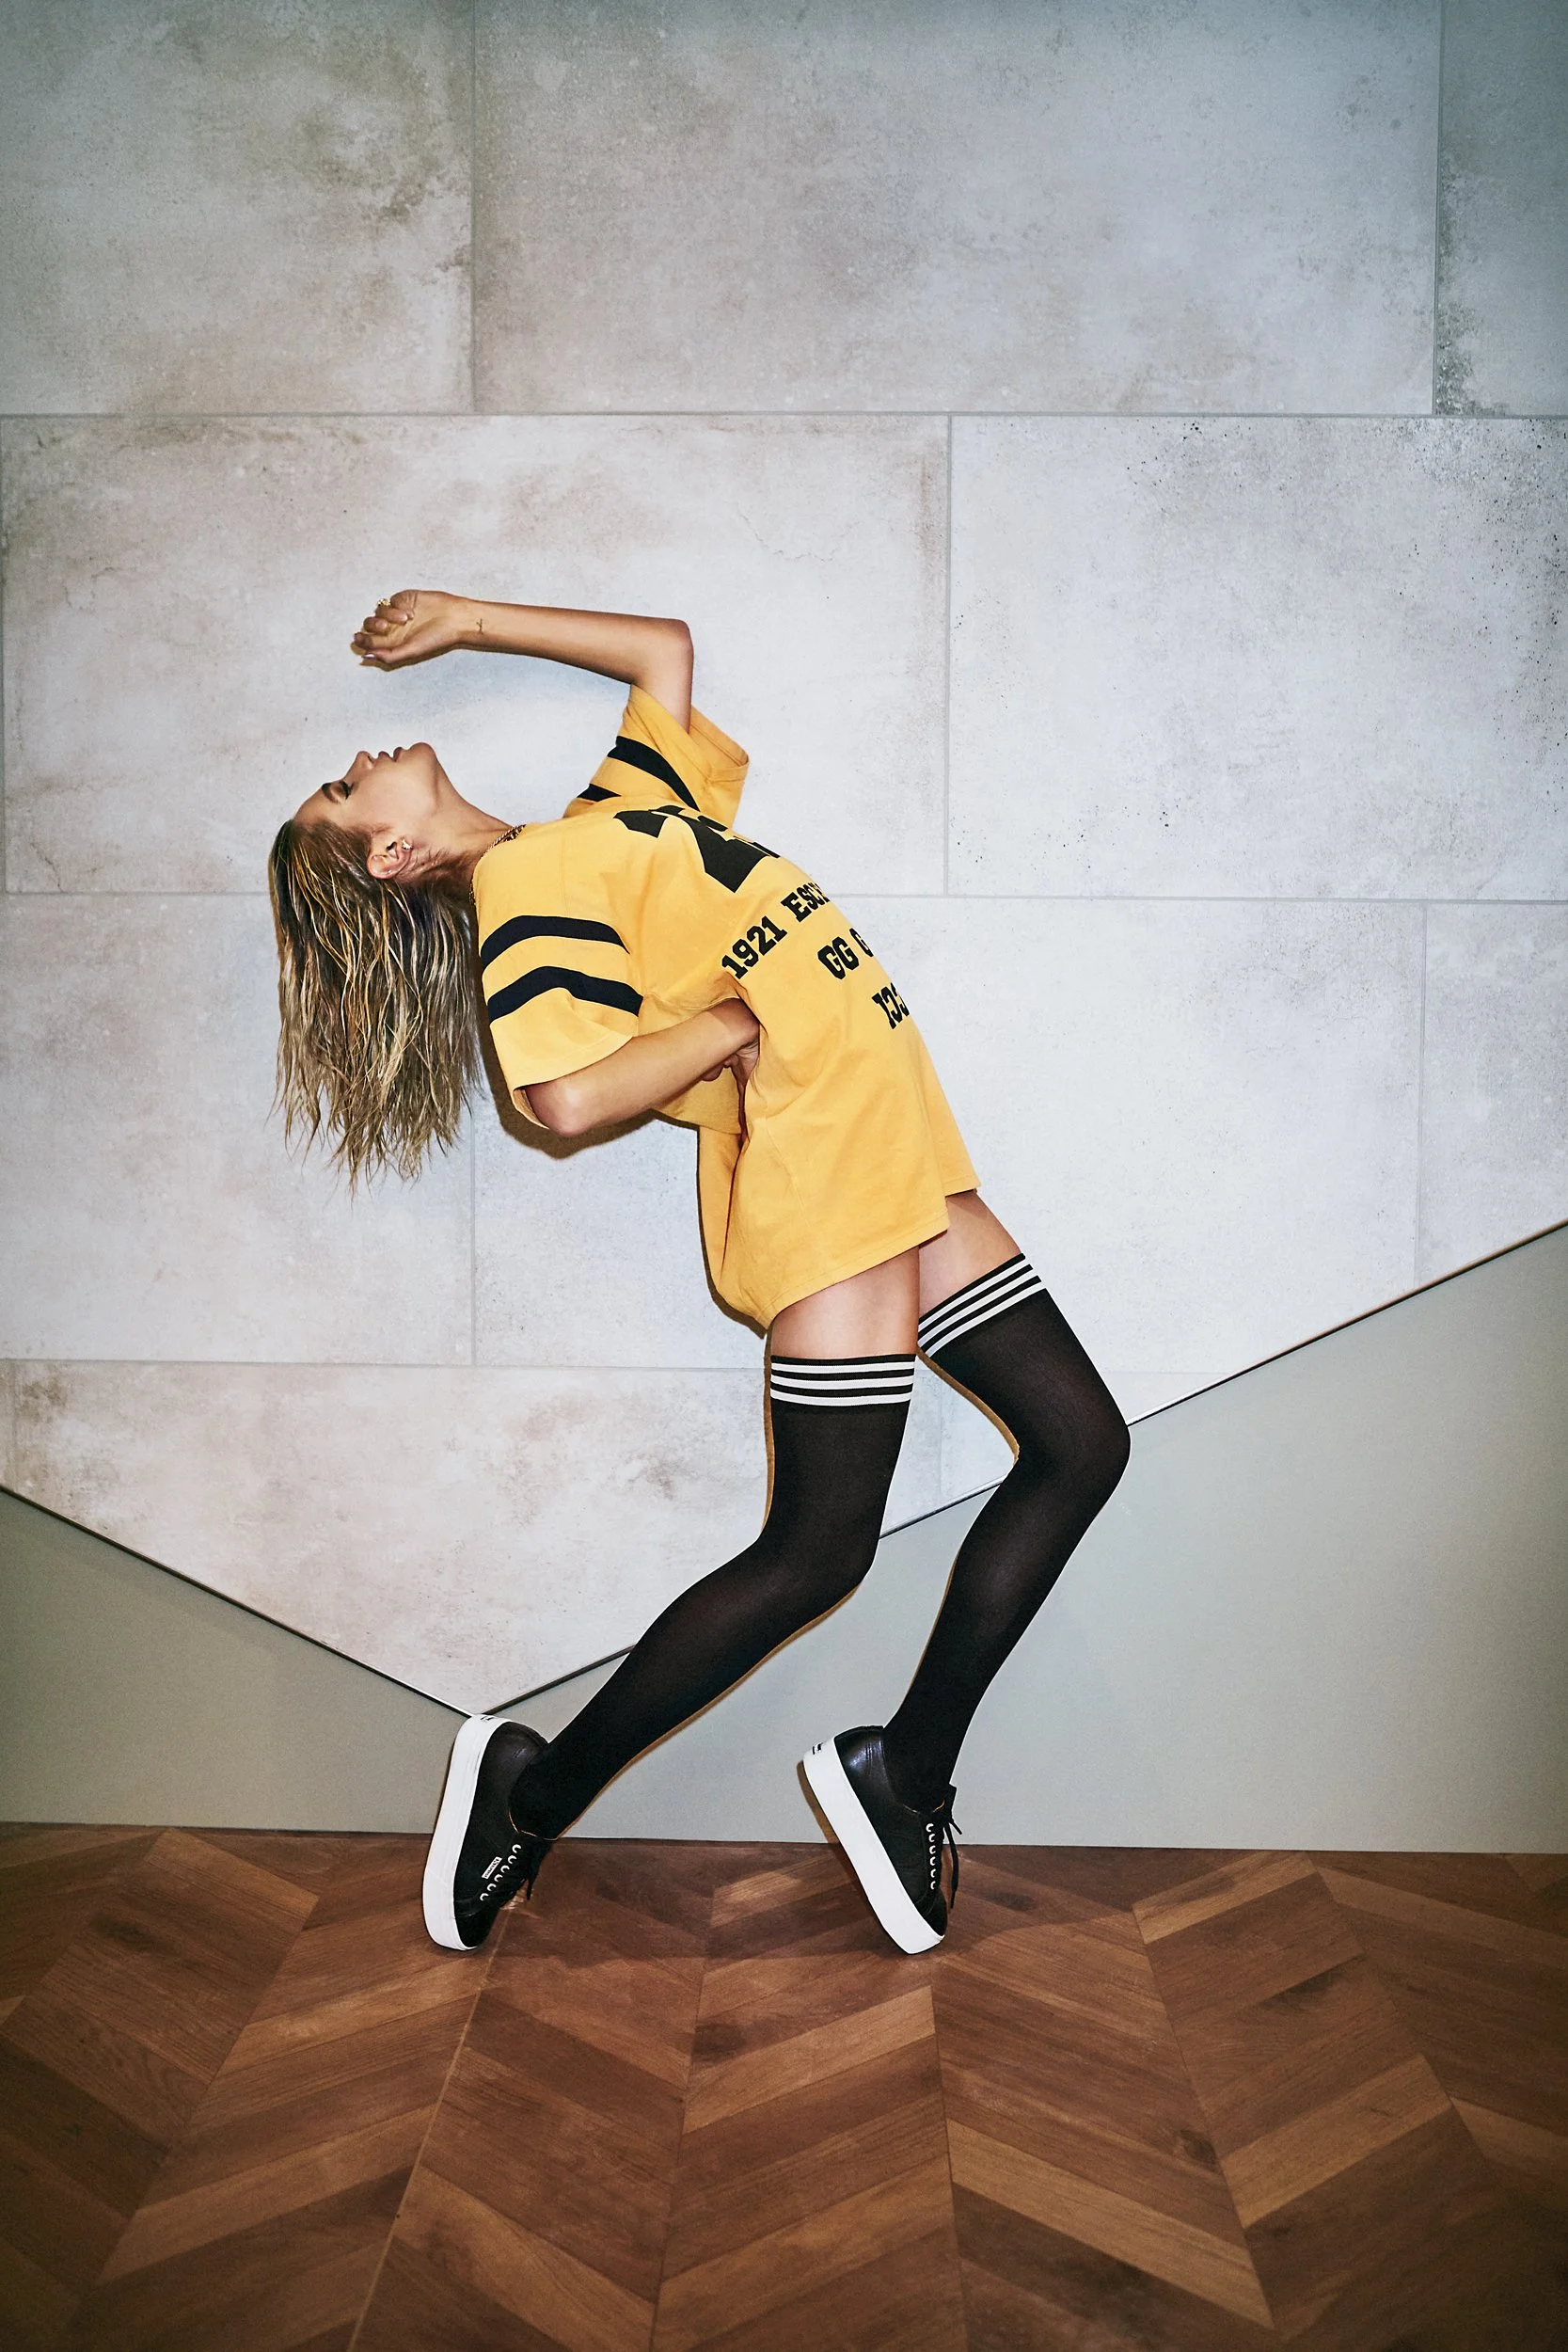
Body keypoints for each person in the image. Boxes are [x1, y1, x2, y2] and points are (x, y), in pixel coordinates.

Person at [268, 590, 1130, 1958]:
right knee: (816, 1553)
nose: (360, 756)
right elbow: (560, 1097)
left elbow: (660, 651)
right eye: (341, 786)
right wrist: (733, 1019)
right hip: (828, 1176)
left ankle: (904, 1771)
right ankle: (531, 1798)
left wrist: (466, 621)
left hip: (897, 1155)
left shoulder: (595, 830)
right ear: (388, 852)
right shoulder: (524, 896)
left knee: (1080, 1445)